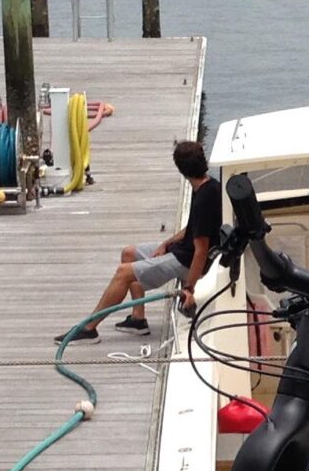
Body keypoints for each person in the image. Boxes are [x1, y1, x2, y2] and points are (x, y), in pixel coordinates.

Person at [77, 139, 221, 338]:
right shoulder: (207, 185)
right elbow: (193, 228)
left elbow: (201, 249)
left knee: (123, 272)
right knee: (129, 253)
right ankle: (138, 319)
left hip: (186, 261)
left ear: (181, 169)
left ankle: (88, 328)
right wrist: (166, 243)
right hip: (181, 251)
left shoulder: (205, 198)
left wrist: (189, 288)